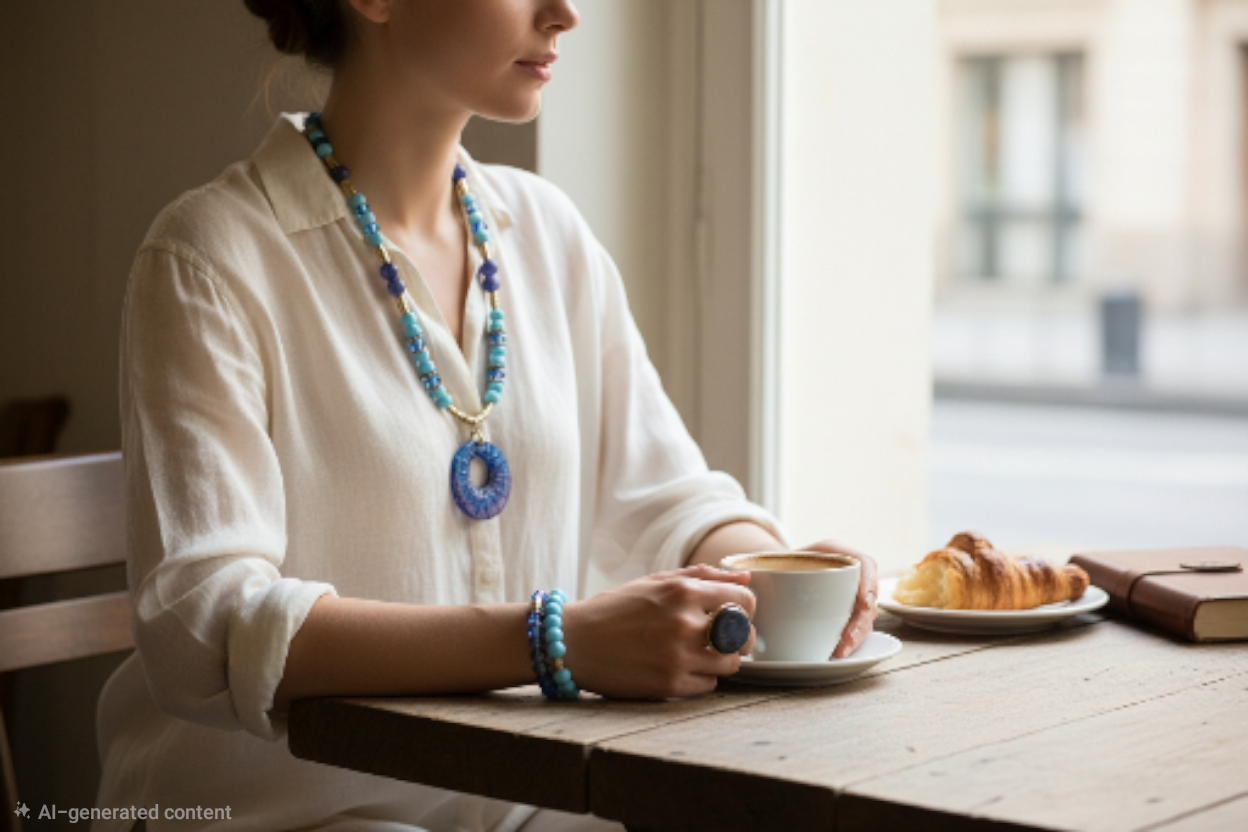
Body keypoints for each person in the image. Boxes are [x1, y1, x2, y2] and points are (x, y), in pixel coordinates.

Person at [93, 1, 879, 830]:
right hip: (274, 812)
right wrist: (554, 642)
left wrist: (783, 574)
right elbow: (205, 624)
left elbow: (671, 500)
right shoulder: (210, 258)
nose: (565, 13)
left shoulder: (547, 234)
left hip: (518, 807)